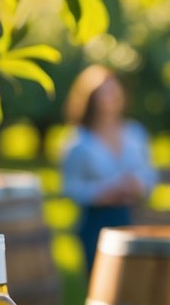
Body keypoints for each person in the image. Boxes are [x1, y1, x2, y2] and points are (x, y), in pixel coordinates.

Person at [60, 64, 156, 276]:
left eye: (115, 90)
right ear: (91, 98)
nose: (112, 96)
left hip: (131, 217)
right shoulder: (78, 141)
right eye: (105, 91)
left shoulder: (135, 133)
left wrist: (138, 184)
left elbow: (150, 177)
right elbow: (70, 188)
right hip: (96, 222)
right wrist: (103, 192)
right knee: (100, 282)